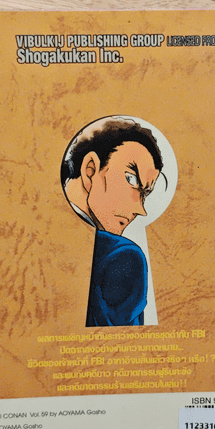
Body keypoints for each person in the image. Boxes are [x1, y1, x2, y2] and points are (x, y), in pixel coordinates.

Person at [61, 117, 163, 326]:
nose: (140, 209)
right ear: (90, 170)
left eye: (145, 194)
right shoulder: (123, 256)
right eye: (131, 179)